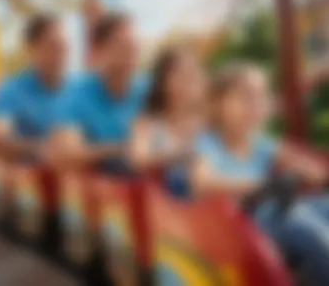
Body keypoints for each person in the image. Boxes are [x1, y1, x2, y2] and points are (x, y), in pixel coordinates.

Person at [190, 63, 329, 286]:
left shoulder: (261, 142)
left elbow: (304, 164)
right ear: (217, 105)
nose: (254, 104)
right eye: (245, 96)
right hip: (239, 223)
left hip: (272, 210)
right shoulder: (209, 143)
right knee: (313, 237)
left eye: (260, 96)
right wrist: (260, 184)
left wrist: (315, 173)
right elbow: (201, 183)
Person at [49, 12, 147, 175]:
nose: (131, 53)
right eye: (122, 46)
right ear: (98, 50)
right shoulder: (75, 94)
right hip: (97, 190)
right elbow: (65, 154)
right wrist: (124, 148)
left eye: (135, 46)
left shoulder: (148, 89)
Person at [0, 13, 71, 163]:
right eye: (54, 46)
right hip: (31, 176)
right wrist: (39, 147)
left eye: (64, 46)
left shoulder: (78, 89)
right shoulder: (12, 91)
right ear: (32, 48)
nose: (61, 53)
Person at [129, 47, 207, 194]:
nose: (190, 80)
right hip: (164, 199)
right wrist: (183, 154)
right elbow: (139, 159)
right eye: (182, 74)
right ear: (163, 81)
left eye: (194, 73)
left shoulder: (209, 122)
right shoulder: (148, 122)